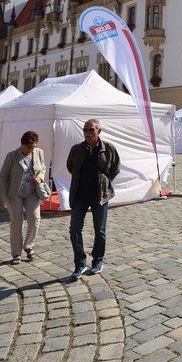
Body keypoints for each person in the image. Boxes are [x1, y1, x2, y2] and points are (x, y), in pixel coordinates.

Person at [67, 118, 120, 279]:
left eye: (91, 130)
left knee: (100, 231)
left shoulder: (108, 148)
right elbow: (70, 166)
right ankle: (80, 263)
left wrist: (104, 182)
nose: (88, 133)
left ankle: (98, 260)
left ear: (99, 131)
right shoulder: (77, 149)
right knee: (74, 229)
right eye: (85, 130)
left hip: (100, 196)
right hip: (79, 196)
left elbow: (115, 168)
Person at [0, 131, 48, 265]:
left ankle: (28, 245)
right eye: (27, 147)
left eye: (32, 147)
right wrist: (0, 197)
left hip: (32, 191)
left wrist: (40, 177)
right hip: (14, 193)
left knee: (35, 218)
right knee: (17, 222)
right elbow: (3, 177)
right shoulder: (12, 156)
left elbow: (43, 168)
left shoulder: (39, 152)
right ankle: (16, 253)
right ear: (21, 143)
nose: (30, 150)